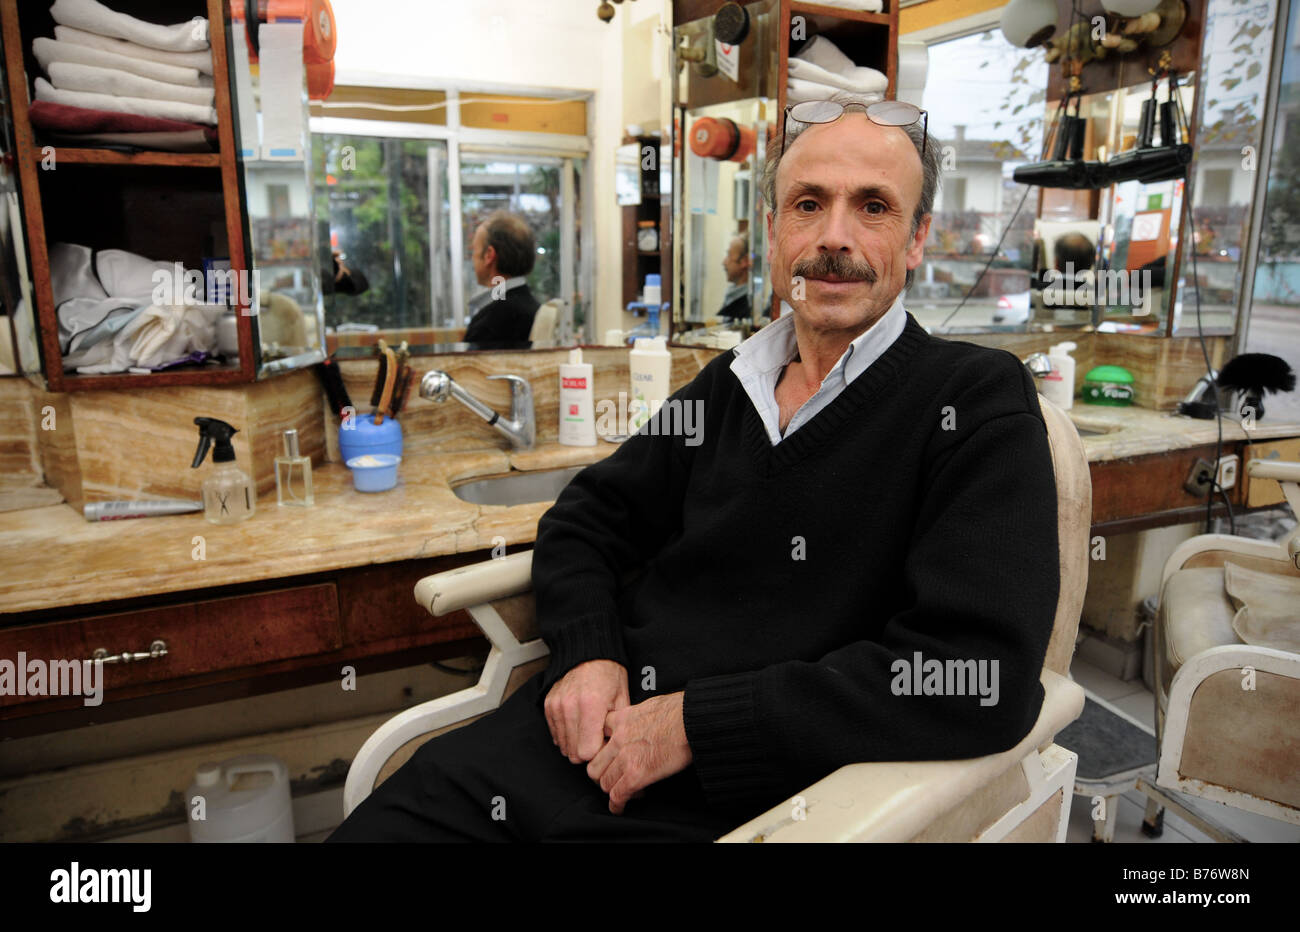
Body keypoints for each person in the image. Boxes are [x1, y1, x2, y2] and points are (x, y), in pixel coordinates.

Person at [328, 91, 1059, 842]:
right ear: (773, 231)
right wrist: (587, 654)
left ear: (915, 239)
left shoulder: (972, 401)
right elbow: (588, 518)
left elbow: (980, 675)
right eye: (808, 204)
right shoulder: (728, 386)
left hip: (746, 798)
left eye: (873, 207)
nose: (834, 237)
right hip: (554, 755)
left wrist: (696, 725)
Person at [462, 211, 540, 348]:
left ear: (489, 256)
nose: (471, 258)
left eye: (473, 251)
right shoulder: (530, 307)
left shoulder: (494, 321)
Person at [717, 234, 752, 321]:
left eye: (729, 255)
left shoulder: (748, 306)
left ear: (744, 261)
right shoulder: (732, 297)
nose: (724, 262)